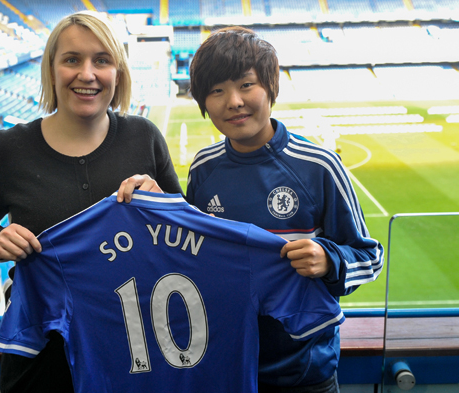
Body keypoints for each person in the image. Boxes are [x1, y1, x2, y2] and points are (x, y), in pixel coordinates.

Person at [118, 26, 384, 393]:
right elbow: (193, 253)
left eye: (246, 85)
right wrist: (157, 204)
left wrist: (329, 259)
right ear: (203, 103)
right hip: (222, 363)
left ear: (271, 87)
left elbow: (369, 257)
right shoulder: (203, 167)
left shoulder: (319, 166)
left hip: (303, 374)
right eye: (216, 91)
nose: (234, 101)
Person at [0, 11, 182, 393]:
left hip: (136, 345)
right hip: (41, 351)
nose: (86, 74)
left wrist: (163, 204)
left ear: (117, 72)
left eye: (101, 60)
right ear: (51, 69)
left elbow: (186, 233)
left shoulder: (145, 137)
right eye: (72, 59)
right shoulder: (9, 149)